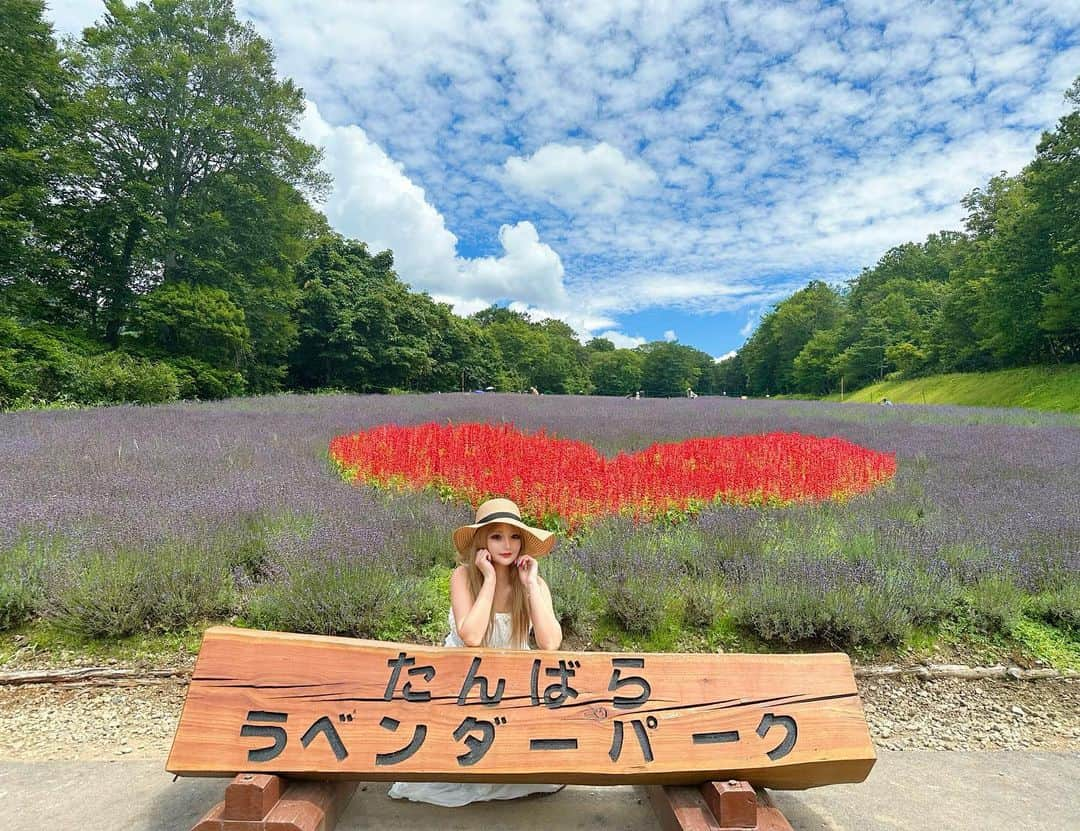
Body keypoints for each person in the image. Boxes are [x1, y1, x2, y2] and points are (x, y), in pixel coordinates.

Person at [387, 497, 565, 807]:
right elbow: (471, 637)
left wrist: (532, 585)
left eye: (514, 537)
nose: (506, 545)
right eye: (496, 536)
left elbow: (550, 643)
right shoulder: (463, 577)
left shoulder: (533, 583)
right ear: (483, 541)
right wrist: (490, 580)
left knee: (545, 771)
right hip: (461, 682)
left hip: (508, 686)